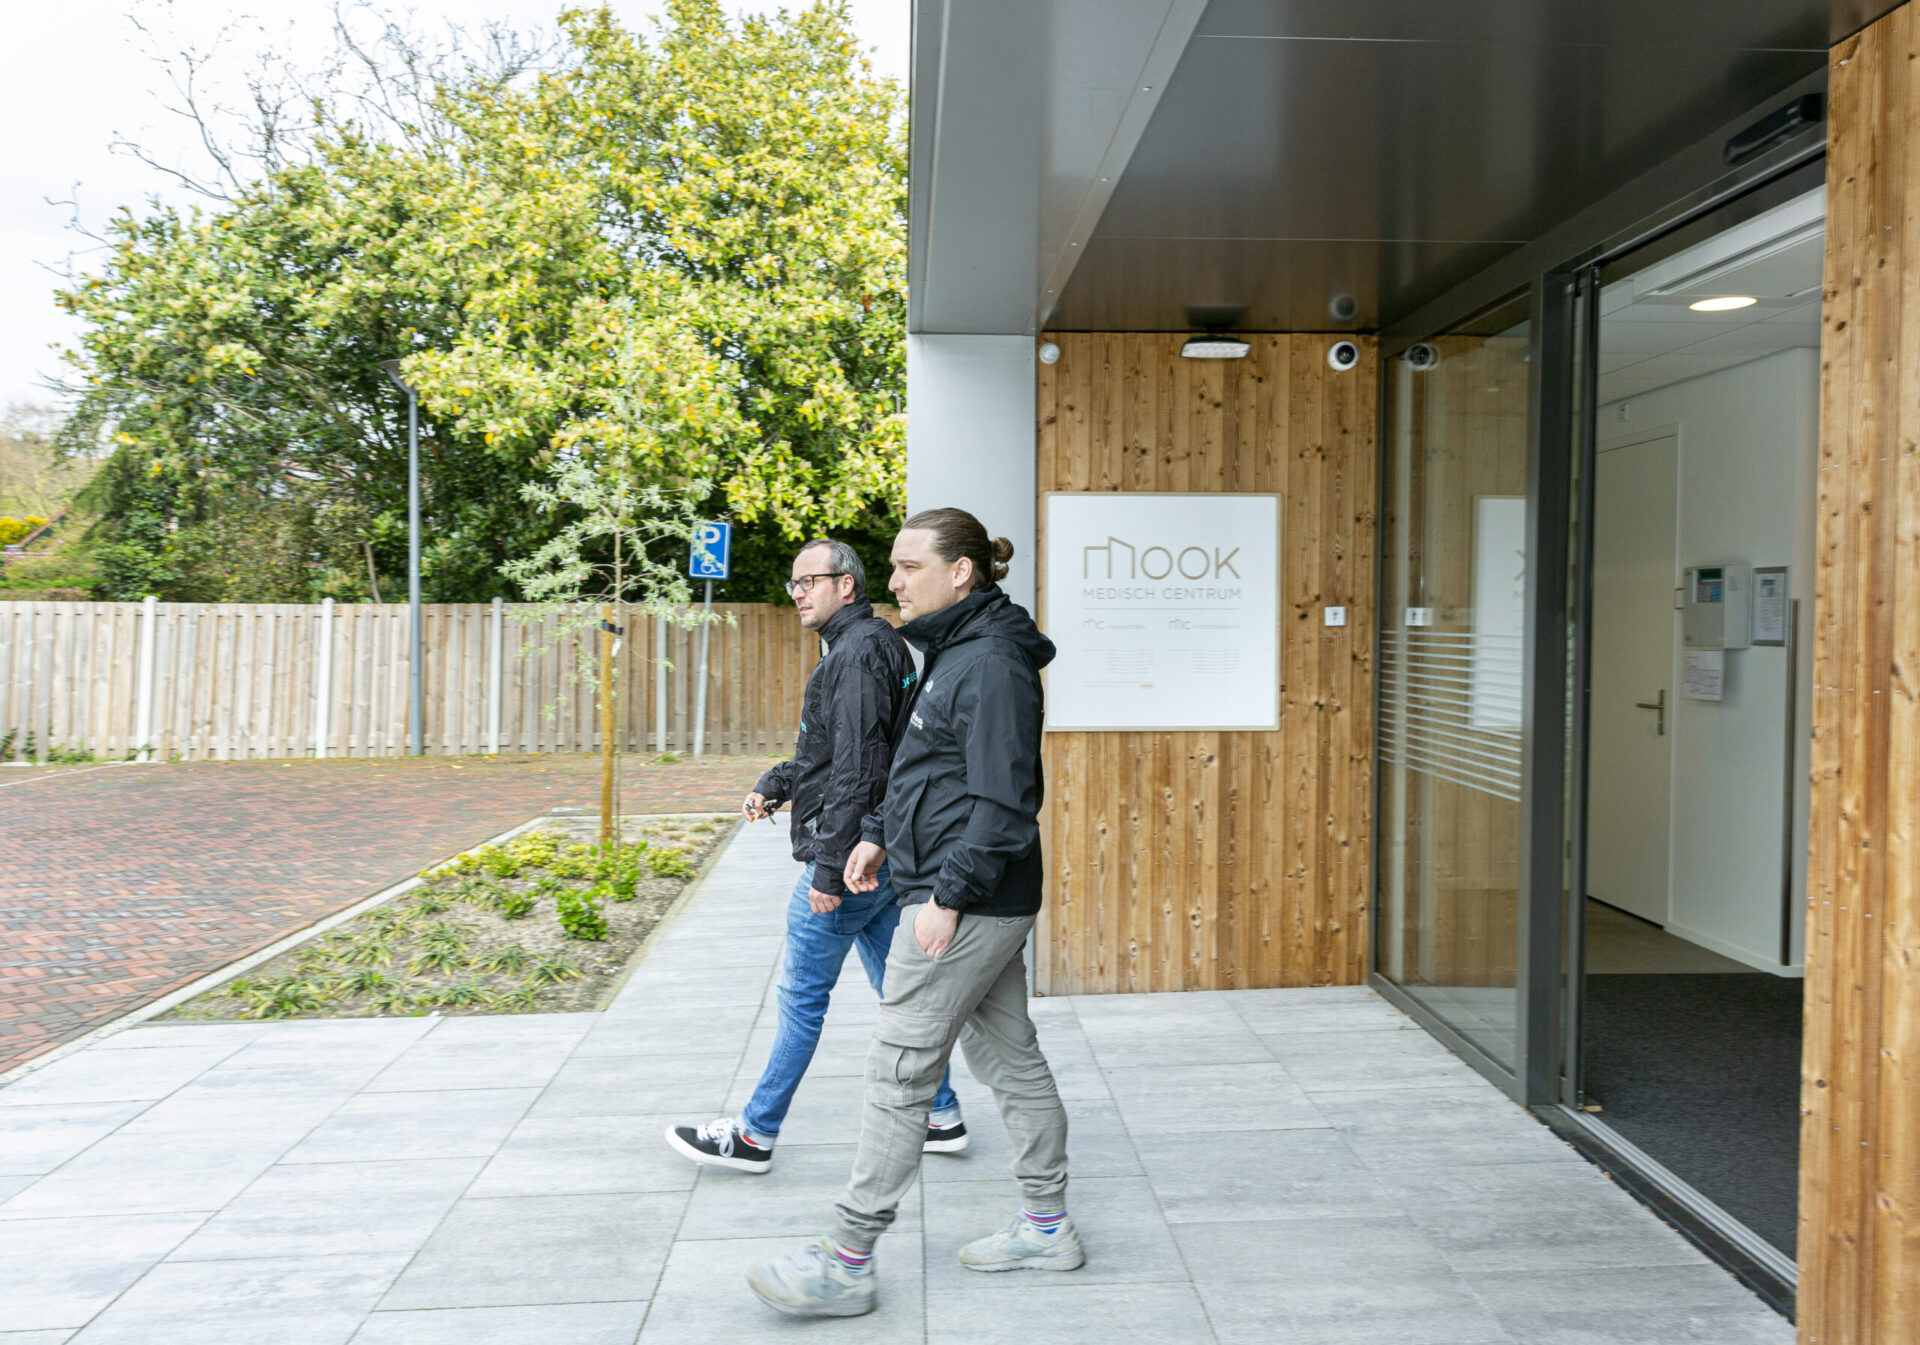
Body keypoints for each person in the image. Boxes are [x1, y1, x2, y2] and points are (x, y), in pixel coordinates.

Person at [747, 508, 1074, 1319]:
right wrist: (880, 836)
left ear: (959, 571)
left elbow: (1005, 802)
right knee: (1010, 1056)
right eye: (890, 568)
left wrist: (947, 896)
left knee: (898, 1069)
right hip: (950, 887)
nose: (892, 583)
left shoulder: (990, 662)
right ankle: (1046, 1224)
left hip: (966, 899)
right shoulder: (954, 649)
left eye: (907, 567)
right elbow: (928, 769)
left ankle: (846, 1258)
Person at [664, 538, 966, 1175]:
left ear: (846, 586)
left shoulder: (854, 656)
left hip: (850, 864)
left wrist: (829, 870)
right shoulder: (875, 644)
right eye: (793, 582)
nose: (798, 592)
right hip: (877, 856)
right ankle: (940, 1113)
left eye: (810, 581)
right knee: (895, 988)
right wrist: (779, 781)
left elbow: (861, 769)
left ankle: (753, 1134)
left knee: (802, 1000)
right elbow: (841, 752)